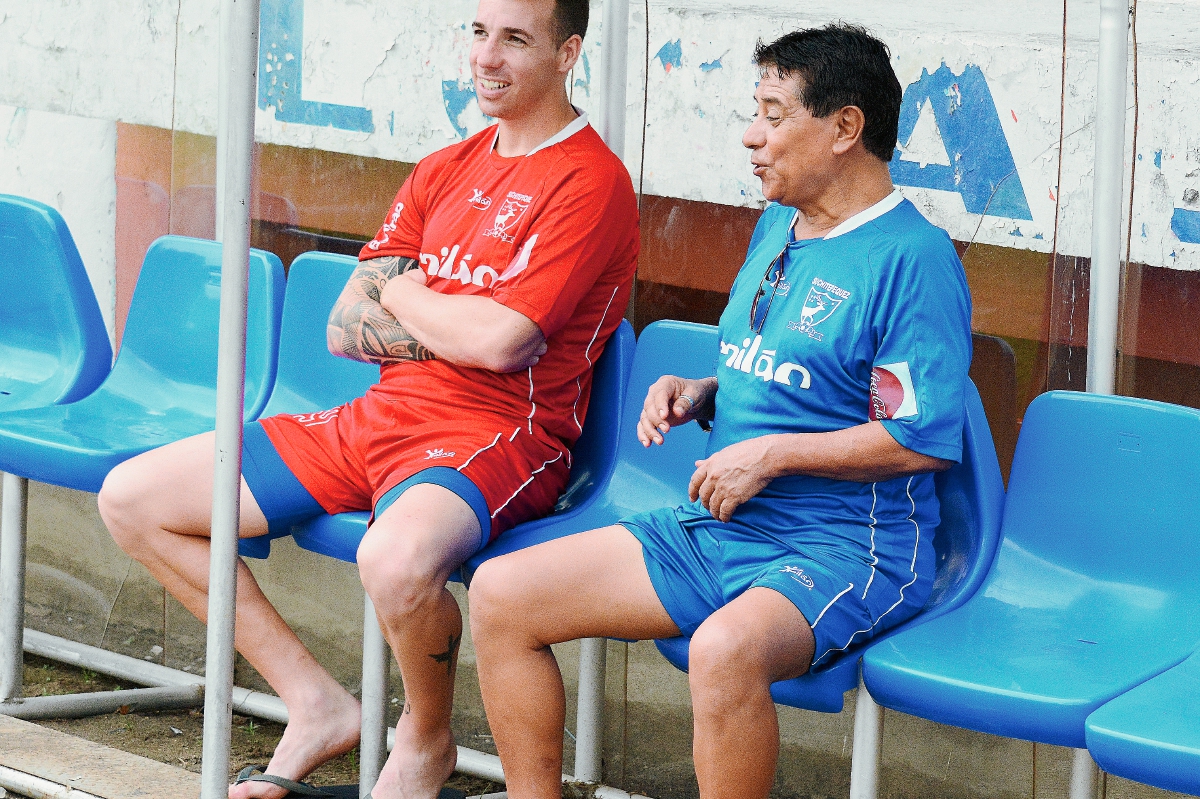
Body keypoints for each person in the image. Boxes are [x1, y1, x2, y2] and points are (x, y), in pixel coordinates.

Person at [97, 0, 638, 797]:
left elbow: (503, 345)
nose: (487, 57)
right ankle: (315, 702)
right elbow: (346, 324)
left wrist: (411, 292)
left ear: (568, 54)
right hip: (377, 420)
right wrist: (451, 317)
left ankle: (424, 738)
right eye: (479, 33)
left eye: (515, 39)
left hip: (497, 436)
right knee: (133, 500)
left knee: (391, 559)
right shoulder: (444, 167)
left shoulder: (591, 181)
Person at [467, 23, 972, 799]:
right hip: (723, 527)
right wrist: (705, 392)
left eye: (773, 114)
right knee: (503, 594)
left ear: (845, 127)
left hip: (848, 547)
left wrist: (771, 455)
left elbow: (922, 438)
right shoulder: (779, 223)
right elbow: (788, 369)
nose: (751, 135)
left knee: (723, 648)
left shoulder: (914, 259)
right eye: (755, 110)